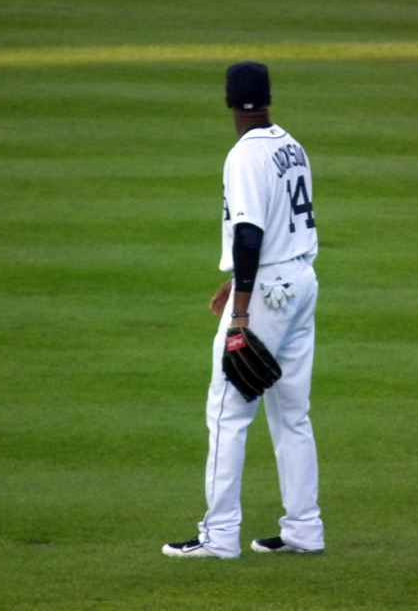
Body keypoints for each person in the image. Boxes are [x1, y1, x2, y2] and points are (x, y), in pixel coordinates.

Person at [162, 62, 324, 558]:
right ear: (269, 98)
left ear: (228, 102)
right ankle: (304, 529)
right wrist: (236, 280)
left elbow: (250, 233)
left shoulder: (243, 156)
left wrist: (240, 310)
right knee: (292, 414)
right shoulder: (291, 145)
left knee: (227, 413)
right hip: (301, 282)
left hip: (267, 295)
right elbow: (275, 224)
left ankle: (219, 536)